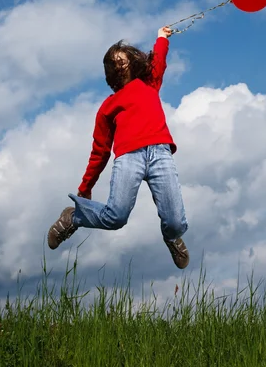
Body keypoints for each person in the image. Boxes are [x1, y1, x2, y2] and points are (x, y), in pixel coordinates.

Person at [47, 26, 189, 269]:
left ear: (133, 62)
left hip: (160, 154)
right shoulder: (107, 106)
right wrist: (85, 187)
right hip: (128, 158)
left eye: (124, 57)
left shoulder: (149, 83)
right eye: (116, 59)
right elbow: (99, 152)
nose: (121, 60)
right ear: (111, 70)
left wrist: (161, 37)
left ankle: (172, 237)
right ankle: (74, 216)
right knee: (115, 218)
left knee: (175, 223)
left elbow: (159, 61)